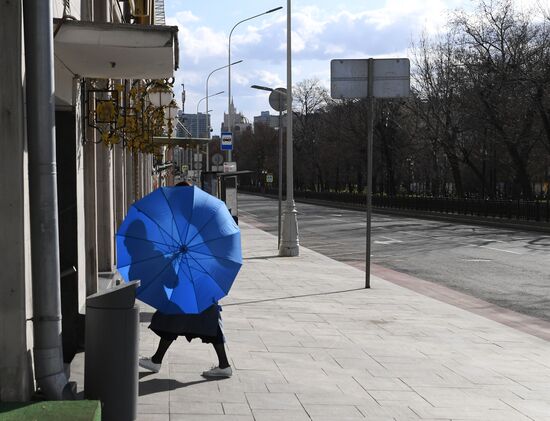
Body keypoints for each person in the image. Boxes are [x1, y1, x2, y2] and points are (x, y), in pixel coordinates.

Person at [138, 180, 232, 378]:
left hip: (195, 276)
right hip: (198, 276)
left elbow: (191, 245)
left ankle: (158, 360)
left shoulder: (186, 217)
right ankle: (157, 359)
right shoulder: (197, 215)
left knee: (177, 315)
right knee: (190, 317)